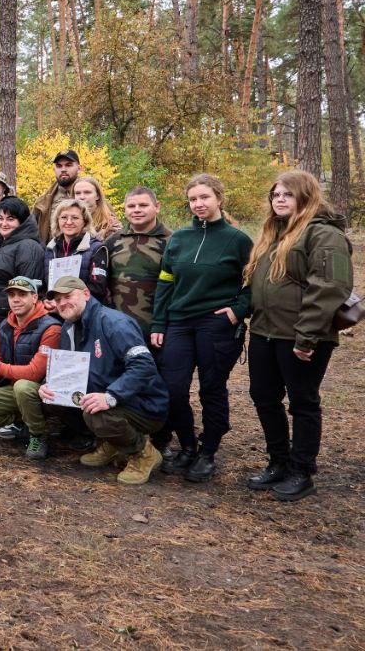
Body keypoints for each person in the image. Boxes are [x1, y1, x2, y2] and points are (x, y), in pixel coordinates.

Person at [244, 170, 354, 501]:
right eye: (275, 194)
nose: (279, 199)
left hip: (302, 336)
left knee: (303, 402)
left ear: (305, 197)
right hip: (265, 331)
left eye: (287, 194)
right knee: (263, 396)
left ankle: (301, 470)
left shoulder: (322, 235)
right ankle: (278, 461)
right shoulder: (272, 233)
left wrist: (306, 336)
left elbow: (330, 287)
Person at [150, 174, 252, 482]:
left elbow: (255, 282)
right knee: (173, 389)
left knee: (211, 389)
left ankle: (208, 452)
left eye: (204, 197)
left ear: (219, 199)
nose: (199, 204)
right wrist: (159, 322)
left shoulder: (238, 240)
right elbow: (165, 283)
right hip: (179, 322)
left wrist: (237, 311)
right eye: (193, 199)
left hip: (216, 324)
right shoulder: (179, 238)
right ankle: (188, 446)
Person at [39, 276, 168, 485]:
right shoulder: (69, 327)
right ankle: (113, 442)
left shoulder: (114, 322)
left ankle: (144, 453)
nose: (63, 303)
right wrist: (48, 383)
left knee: (97, 415)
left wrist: (111, 396)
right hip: (108, 399)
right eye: (58, 300)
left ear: (86, 294)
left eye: (68, 296)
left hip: (144, 405)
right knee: (52, 400)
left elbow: (144, 366)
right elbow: (66, 368)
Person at [0, 276, 62, 459]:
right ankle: (22, 422)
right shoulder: (5, 326)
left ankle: (38, 435)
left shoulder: (51, 328)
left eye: (22, 294)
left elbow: (34, 373)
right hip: (13, 389)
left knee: (23, 386)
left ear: (34, 298)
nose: (15, 299)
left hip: (42, 391)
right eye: (11, 295)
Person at [0, 196, 46, 353]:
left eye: (10, 219)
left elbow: (28, 293)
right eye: (0, 218)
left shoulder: (29, 248)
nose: (4, 224)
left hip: (7, 329)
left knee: (3, 373)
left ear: (22, 221)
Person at [104, 187, 171, 342]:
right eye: (131, 206)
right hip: (119, 329)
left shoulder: (173, 241)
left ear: (157, 207)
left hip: (159, 330)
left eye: (143, 205)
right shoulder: (112, 241)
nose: (137, 210)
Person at [44, 198, 110, 303]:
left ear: (85, 221)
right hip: (55, 309)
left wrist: (66, 302)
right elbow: (46, 286)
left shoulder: (97, 249)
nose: (69, 222)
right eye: (64, 217)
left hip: (85, 311)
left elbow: (98, 289)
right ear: (57, 221)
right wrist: (48, 301)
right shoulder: (50, 249)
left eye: (75, 218)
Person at [32, 149, 81, 243]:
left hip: (82, 254)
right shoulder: (42, 202)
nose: (63, 169)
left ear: (79, 168)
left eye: (68, 165)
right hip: (50, 254)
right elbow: (29, 231)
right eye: (59, 166)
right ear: (54, 169)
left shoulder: (89, 194)